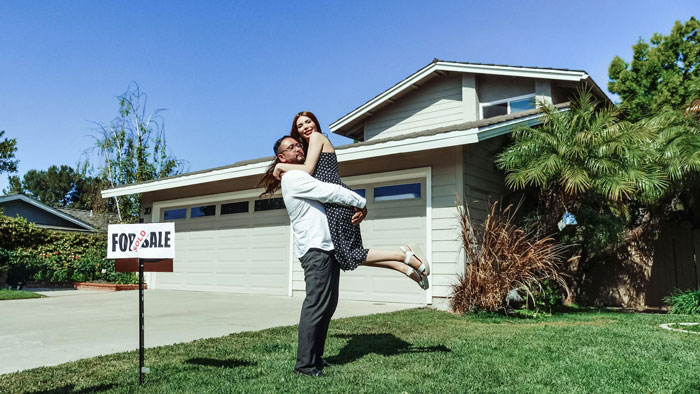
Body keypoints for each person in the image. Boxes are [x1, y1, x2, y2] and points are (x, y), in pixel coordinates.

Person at [267, 111, 430, 289]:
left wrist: (280, 166)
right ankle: (401, 266)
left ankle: (403, 255)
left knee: (351, 254)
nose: (306, 127)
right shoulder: (308, 148)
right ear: (297, 132)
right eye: (300, 126)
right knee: (347, 256)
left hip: (337, 201)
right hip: (333, 204)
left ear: (315, 123)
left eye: (308, 122)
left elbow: (307, 170)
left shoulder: (317, 137)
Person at [266, 135, 367, 377]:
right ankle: (304, 366)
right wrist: (361, 202)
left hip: (327, 247)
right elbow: (329, 191)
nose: (298, 148)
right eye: (291, 147)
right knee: (315, 306)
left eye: (298, 144)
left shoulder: (301, 174)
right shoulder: (293, 177)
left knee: (327, 306)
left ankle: (316, 358)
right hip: (315, 250)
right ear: (282, 157)